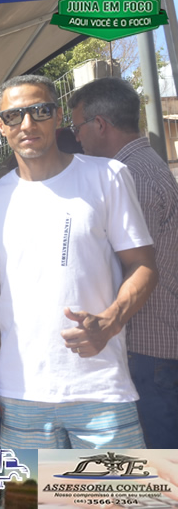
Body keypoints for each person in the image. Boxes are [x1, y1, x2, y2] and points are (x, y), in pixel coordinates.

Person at [0, 74, 158, 449]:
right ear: (1, 126)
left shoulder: (107, 177)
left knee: (121, 488)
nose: (27, 124)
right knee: (30, 488)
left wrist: (110, 321)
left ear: (57, 116)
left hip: (101, 392)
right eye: (14, 115)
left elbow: (143, 265)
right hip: (22, 394)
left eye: (39, 111)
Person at [68, 76, 178, 448]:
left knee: (158, 464)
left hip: (148, 346)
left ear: (99, 124)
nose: (77, 138)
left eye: (78, 127)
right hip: (155, 346)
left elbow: (128, 266)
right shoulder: (144, 166)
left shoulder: (129, 177)